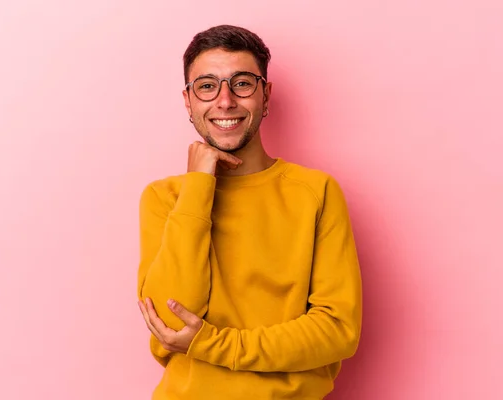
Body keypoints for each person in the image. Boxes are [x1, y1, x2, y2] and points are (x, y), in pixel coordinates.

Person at [137, 24, 362, 400]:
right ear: (188, 101)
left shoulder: (316, 192)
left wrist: (214, 343)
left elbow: (338, 331)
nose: (225, 101)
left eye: (241, 83)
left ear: (266, 95)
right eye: (207, 86)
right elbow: (170, 323)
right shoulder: (166, 197)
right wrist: (198, 187)